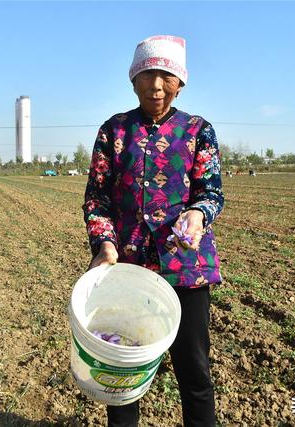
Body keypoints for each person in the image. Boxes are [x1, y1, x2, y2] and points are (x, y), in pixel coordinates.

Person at [82, 35, 224, 427]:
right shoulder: (115, 131)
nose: (156, 85)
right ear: (133, 79)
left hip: (186, 269)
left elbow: (211, 191)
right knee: (123, 374)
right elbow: (97, 197)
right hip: (128, 270)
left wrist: (197, 214)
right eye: (147, 74)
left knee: (194, 370)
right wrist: (105, 244)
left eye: (166, 75)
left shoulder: (198, 131)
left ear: (180, 82)